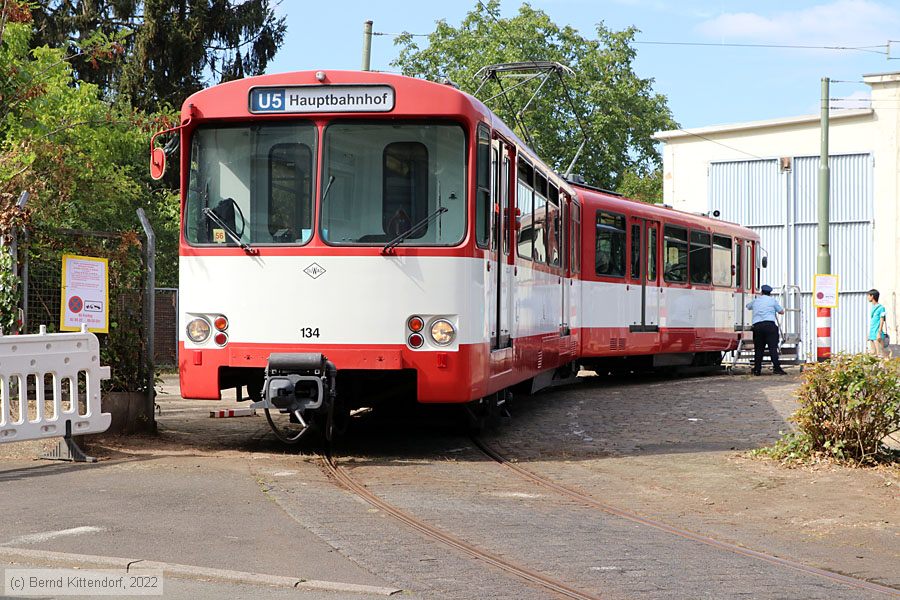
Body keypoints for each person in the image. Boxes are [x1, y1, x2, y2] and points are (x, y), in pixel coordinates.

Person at [746, 284, 786, 375]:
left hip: (758, 326)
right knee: (772, 348)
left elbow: (748, 306)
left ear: (761, 292)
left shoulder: (756, 301)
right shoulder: (773, 301)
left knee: (759, 349)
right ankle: (777, 368)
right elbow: (781, 312)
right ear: (770, 293)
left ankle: (757, 370)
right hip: (770, 326)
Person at [867, 289, 887, 357]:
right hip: (872, 333)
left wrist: (879, 332)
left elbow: (882, 320)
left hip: (877, 333)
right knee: (873, 353)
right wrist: (869, 334)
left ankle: (882, 367)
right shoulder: (873, 307)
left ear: (872, 296)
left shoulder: (881, 308)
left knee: (880, 354)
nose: (867, 297)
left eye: (868, 295)